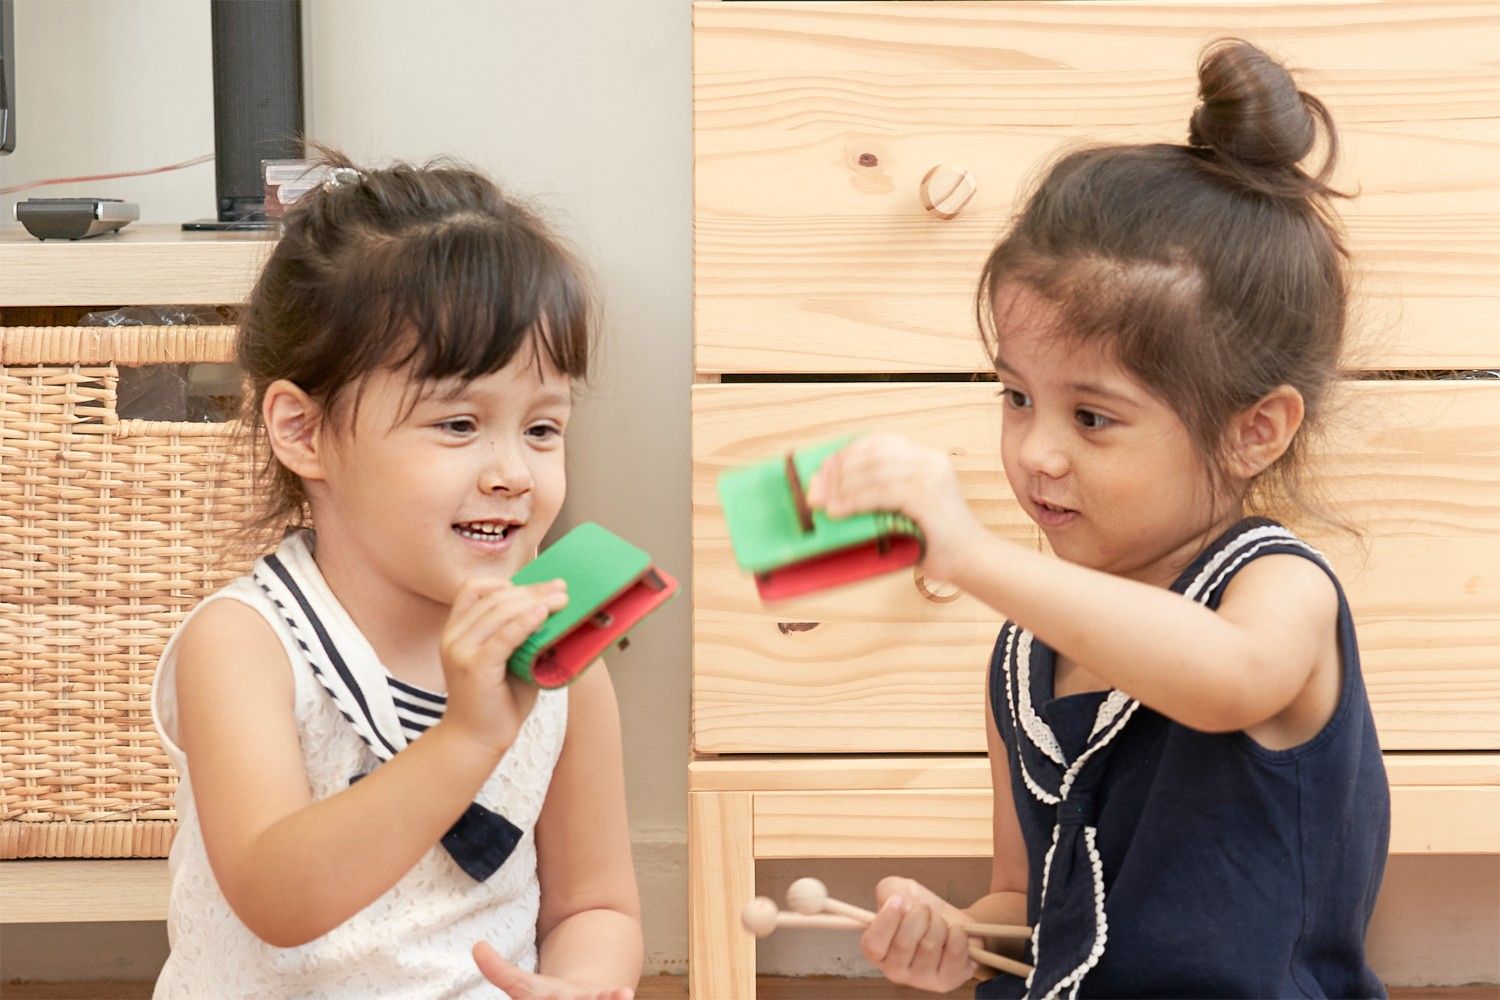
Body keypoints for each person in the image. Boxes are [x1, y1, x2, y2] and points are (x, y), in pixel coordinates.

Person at [806, 39, 1390, 999]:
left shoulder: (1278, 589)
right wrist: (957, 937)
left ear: (1256, 430)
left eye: (1092, 417)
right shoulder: (1020, 656)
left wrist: (971, 551)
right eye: (1016, 398)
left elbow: (1224, 678)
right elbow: (1026, 905)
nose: (1038, 452)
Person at [150, 153, 640, 999]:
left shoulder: (559, 661)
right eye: (458, 422)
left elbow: (595, 905)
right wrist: (467, 738)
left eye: (542, 428)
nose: (513, 473)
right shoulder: (244, 645)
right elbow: (278, 894)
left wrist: (585, 981)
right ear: (302, 431)